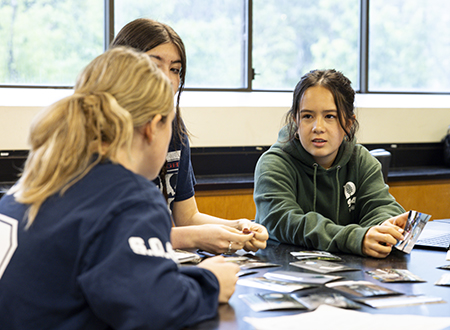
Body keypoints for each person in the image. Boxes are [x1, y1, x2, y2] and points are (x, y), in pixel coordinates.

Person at [0, 47, 240, 330]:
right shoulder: (129, 198)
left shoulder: (37, 180)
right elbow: (155, 310)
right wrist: (210, 283)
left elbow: (122, 284)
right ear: (152, 127)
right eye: (169, 124)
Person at [111, 18, 268, 254]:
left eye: (175, 69)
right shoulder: (101, 136)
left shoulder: (174, 130)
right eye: (155, 66)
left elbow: (187, 217)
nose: (168, 78)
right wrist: (193, 238)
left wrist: (237, 228)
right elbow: (117, 235)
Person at [254, 69, 408, 259]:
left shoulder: (361, 160)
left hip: (349, 274)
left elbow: (381, 206)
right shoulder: (273, 163)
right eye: (307, 116)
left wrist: (384, 228)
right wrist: (355, 238)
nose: (318, 127)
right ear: (295, 121)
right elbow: (284, 221)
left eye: (330, 116)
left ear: (349, 123)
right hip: (284, 271)